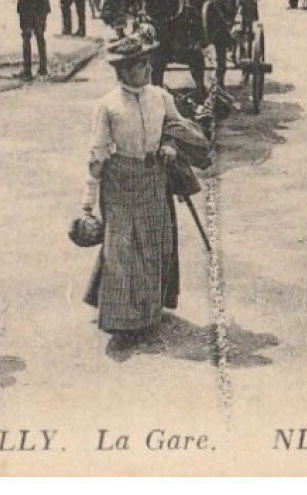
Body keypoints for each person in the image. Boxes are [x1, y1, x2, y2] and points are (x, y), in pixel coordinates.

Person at [81, 27, 211, 346]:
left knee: (155, 246)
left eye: (149, 63)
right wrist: (86, 202)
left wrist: (170, 145)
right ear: (125, 70)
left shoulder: (161, 97)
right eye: (141, 65)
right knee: (122, 250)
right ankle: (123, 324)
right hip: (120, 181)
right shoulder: (107, 105)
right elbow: (97, 155)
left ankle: (148, 314)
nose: (149, 69)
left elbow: (179, 128)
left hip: (154, 178)